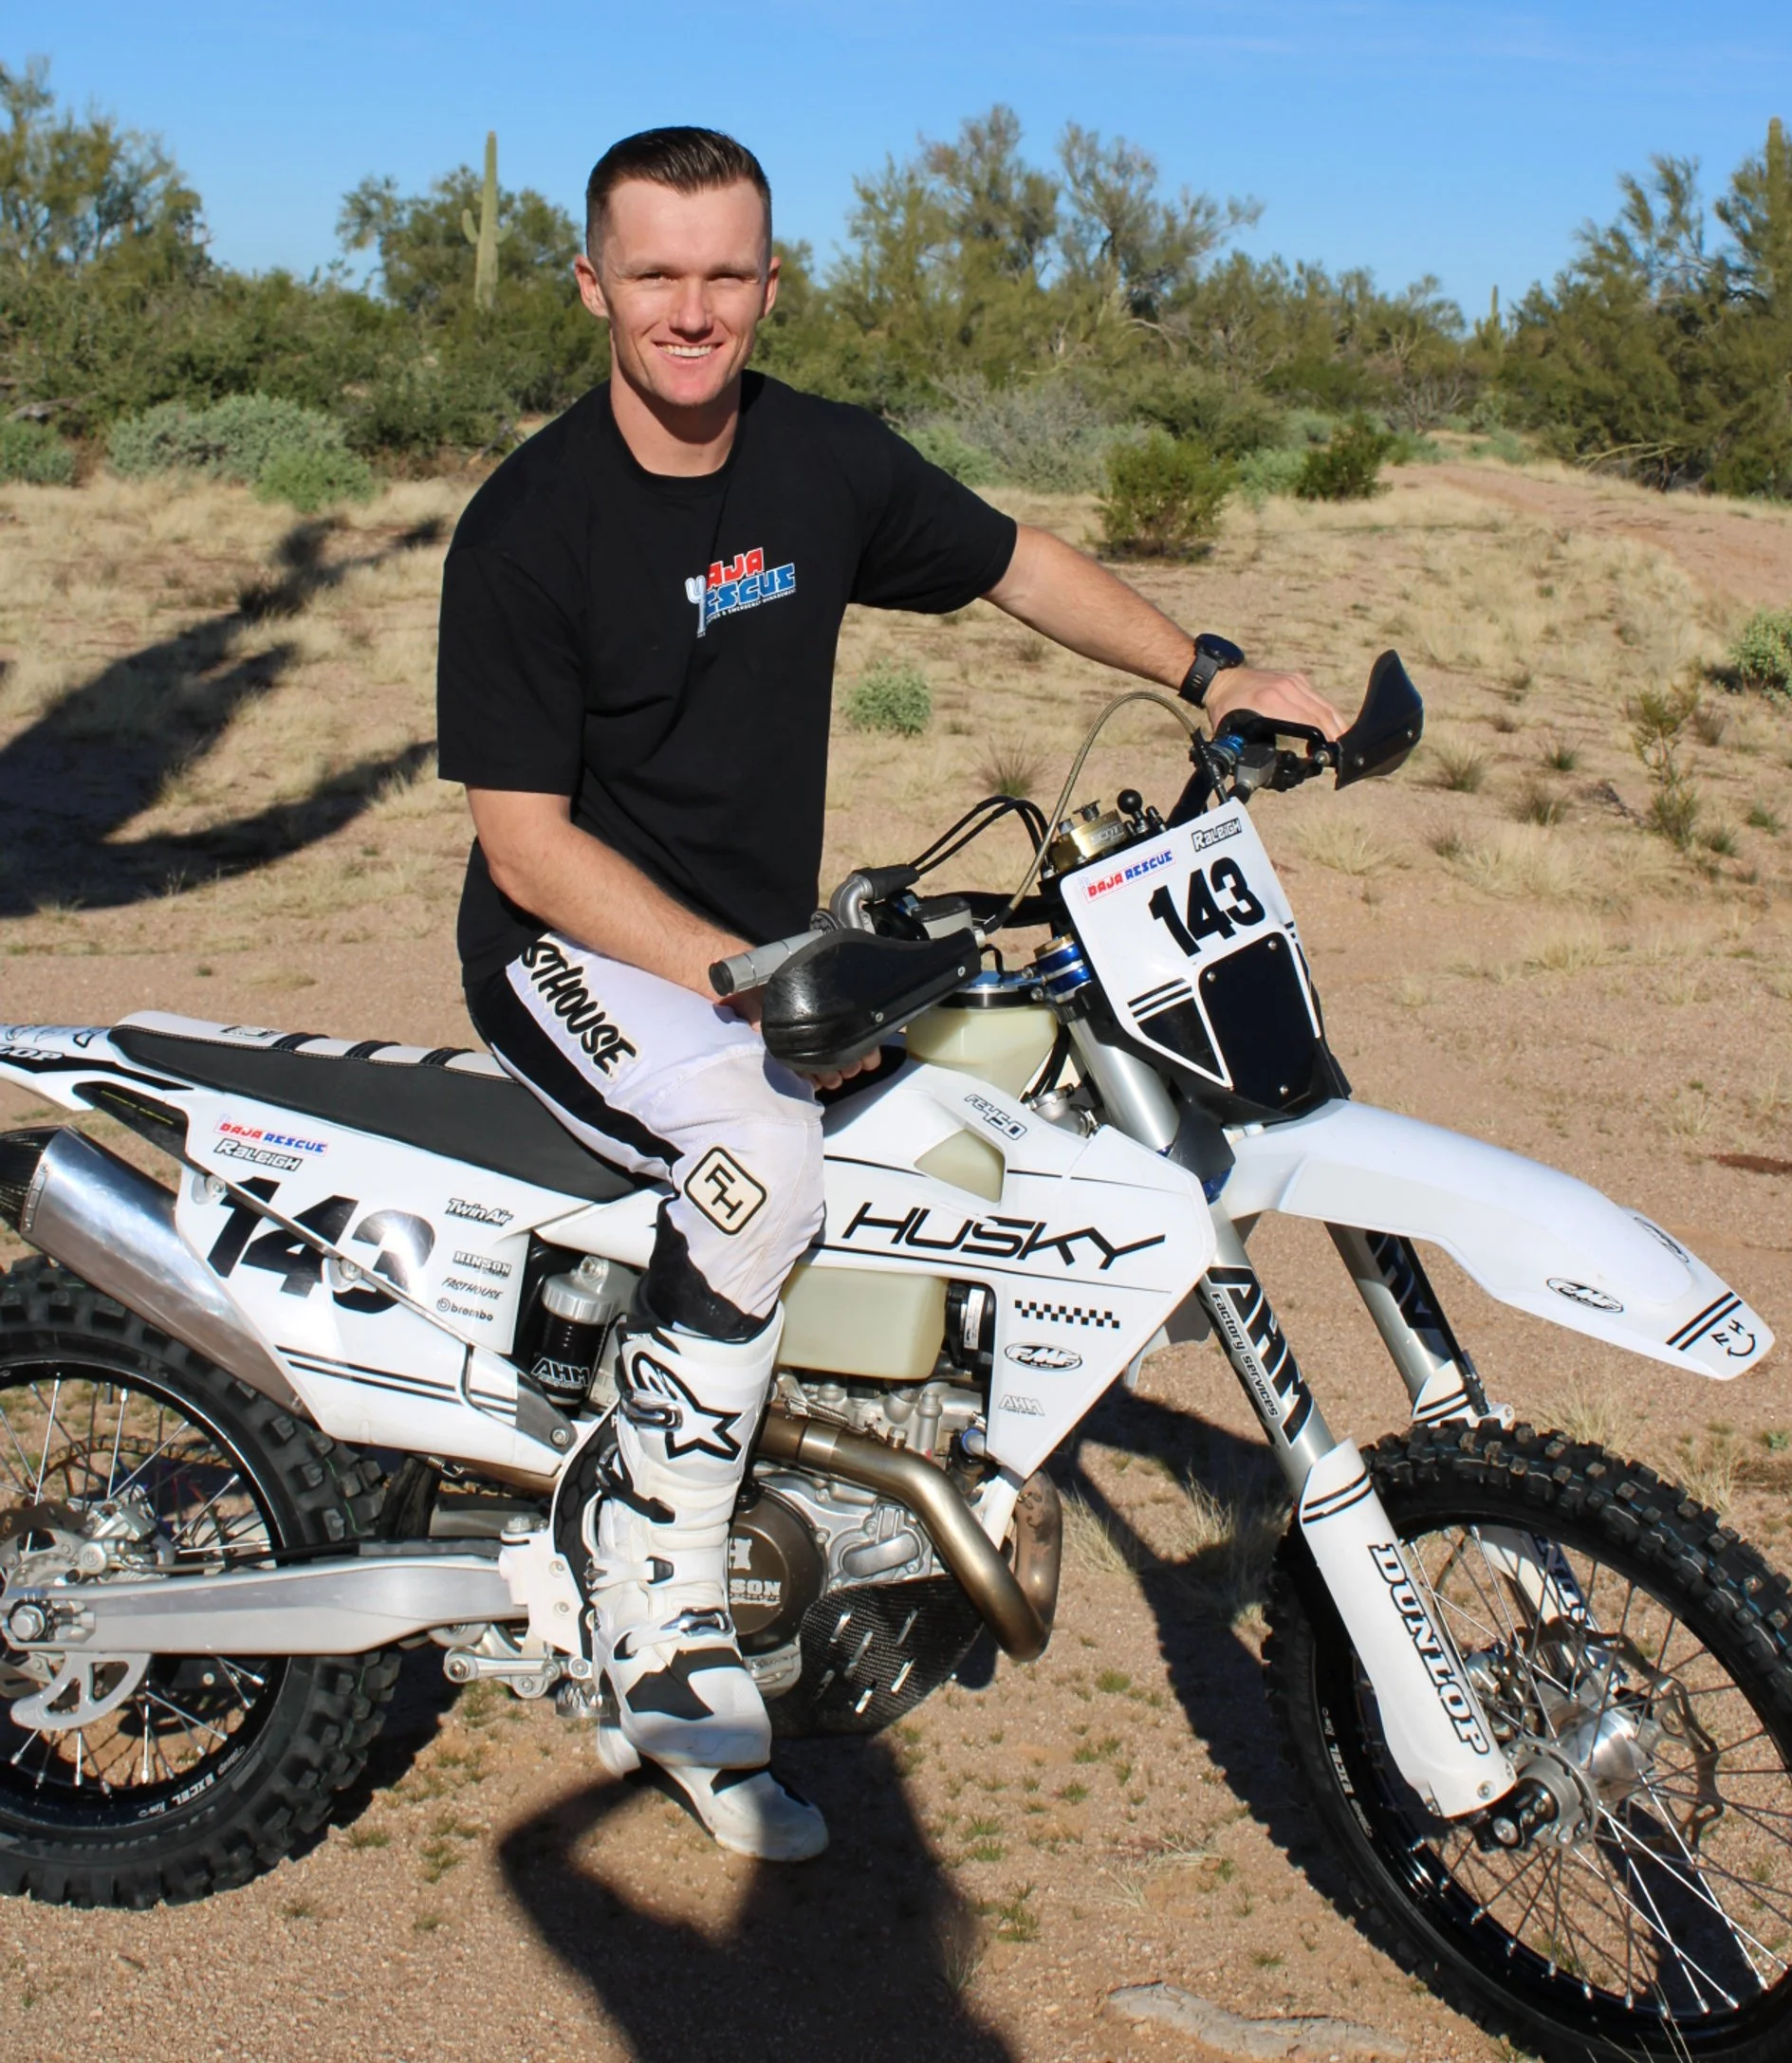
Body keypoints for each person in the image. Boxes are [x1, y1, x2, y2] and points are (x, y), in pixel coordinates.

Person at [436, 124, 1345, 1863]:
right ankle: (659, 1594)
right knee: (763, 1166)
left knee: (992, 1086)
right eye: (655, 276)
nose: (692, 312)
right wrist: (734, 970)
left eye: (725, 275)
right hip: (576, 950)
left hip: (759, 944)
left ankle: (840, 1450)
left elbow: (1013, 560)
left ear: (769, 283)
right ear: (591, 287)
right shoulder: (531, 528)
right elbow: (530, 850)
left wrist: (1209, 671)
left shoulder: (819, 462)